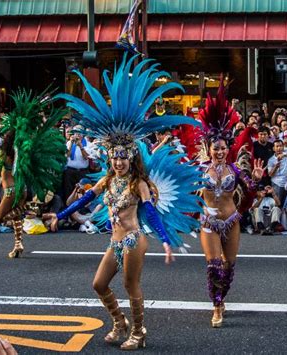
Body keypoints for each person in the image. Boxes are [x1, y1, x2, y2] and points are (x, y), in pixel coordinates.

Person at [47, 55, 201, 350]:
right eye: (114, 156)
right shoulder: (107, 180)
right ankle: (119, 322)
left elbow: (152, 214)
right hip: (114, 242)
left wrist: (167, 240)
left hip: (133, 239)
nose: (118, 161)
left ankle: (139, 332)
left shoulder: (138, 183)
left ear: (131, 157)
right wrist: (59, 215)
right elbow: (86, 200)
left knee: (131, 286)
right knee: (99, 284)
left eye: (122, 156)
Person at [196, 80, 263, 327]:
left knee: (228, 266)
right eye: (216, 148)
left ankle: (221, 297)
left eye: (223, 148)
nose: (220, 152)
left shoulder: (235, 170)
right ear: (210, 148)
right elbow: (185, 191)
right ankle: (216, 307)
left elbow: (250, 191)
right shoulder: (199, 170)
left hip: (231, 219)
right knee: (213, 266)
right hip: (209, 221)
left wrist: (255, 180)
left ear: (228, 148)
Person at [0, 89, 66, 258]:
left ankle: (28, 209)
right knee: (16, 219)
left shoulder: (8, 149)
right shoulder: (19, 148)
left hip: (11, 190)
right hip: (20, 188)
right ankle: (18, 244)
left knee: (0, 219)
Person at [267, 140, 287, 205]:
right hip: (277, 184)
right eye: (277, 146)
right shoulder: (271, 160)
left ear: (283, 147)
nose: (279, 148)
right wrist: (275, 167)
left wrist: (285, 154)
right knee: (278, 204)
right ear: (273, 148)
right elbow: (270, 174)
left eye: (280, 146)